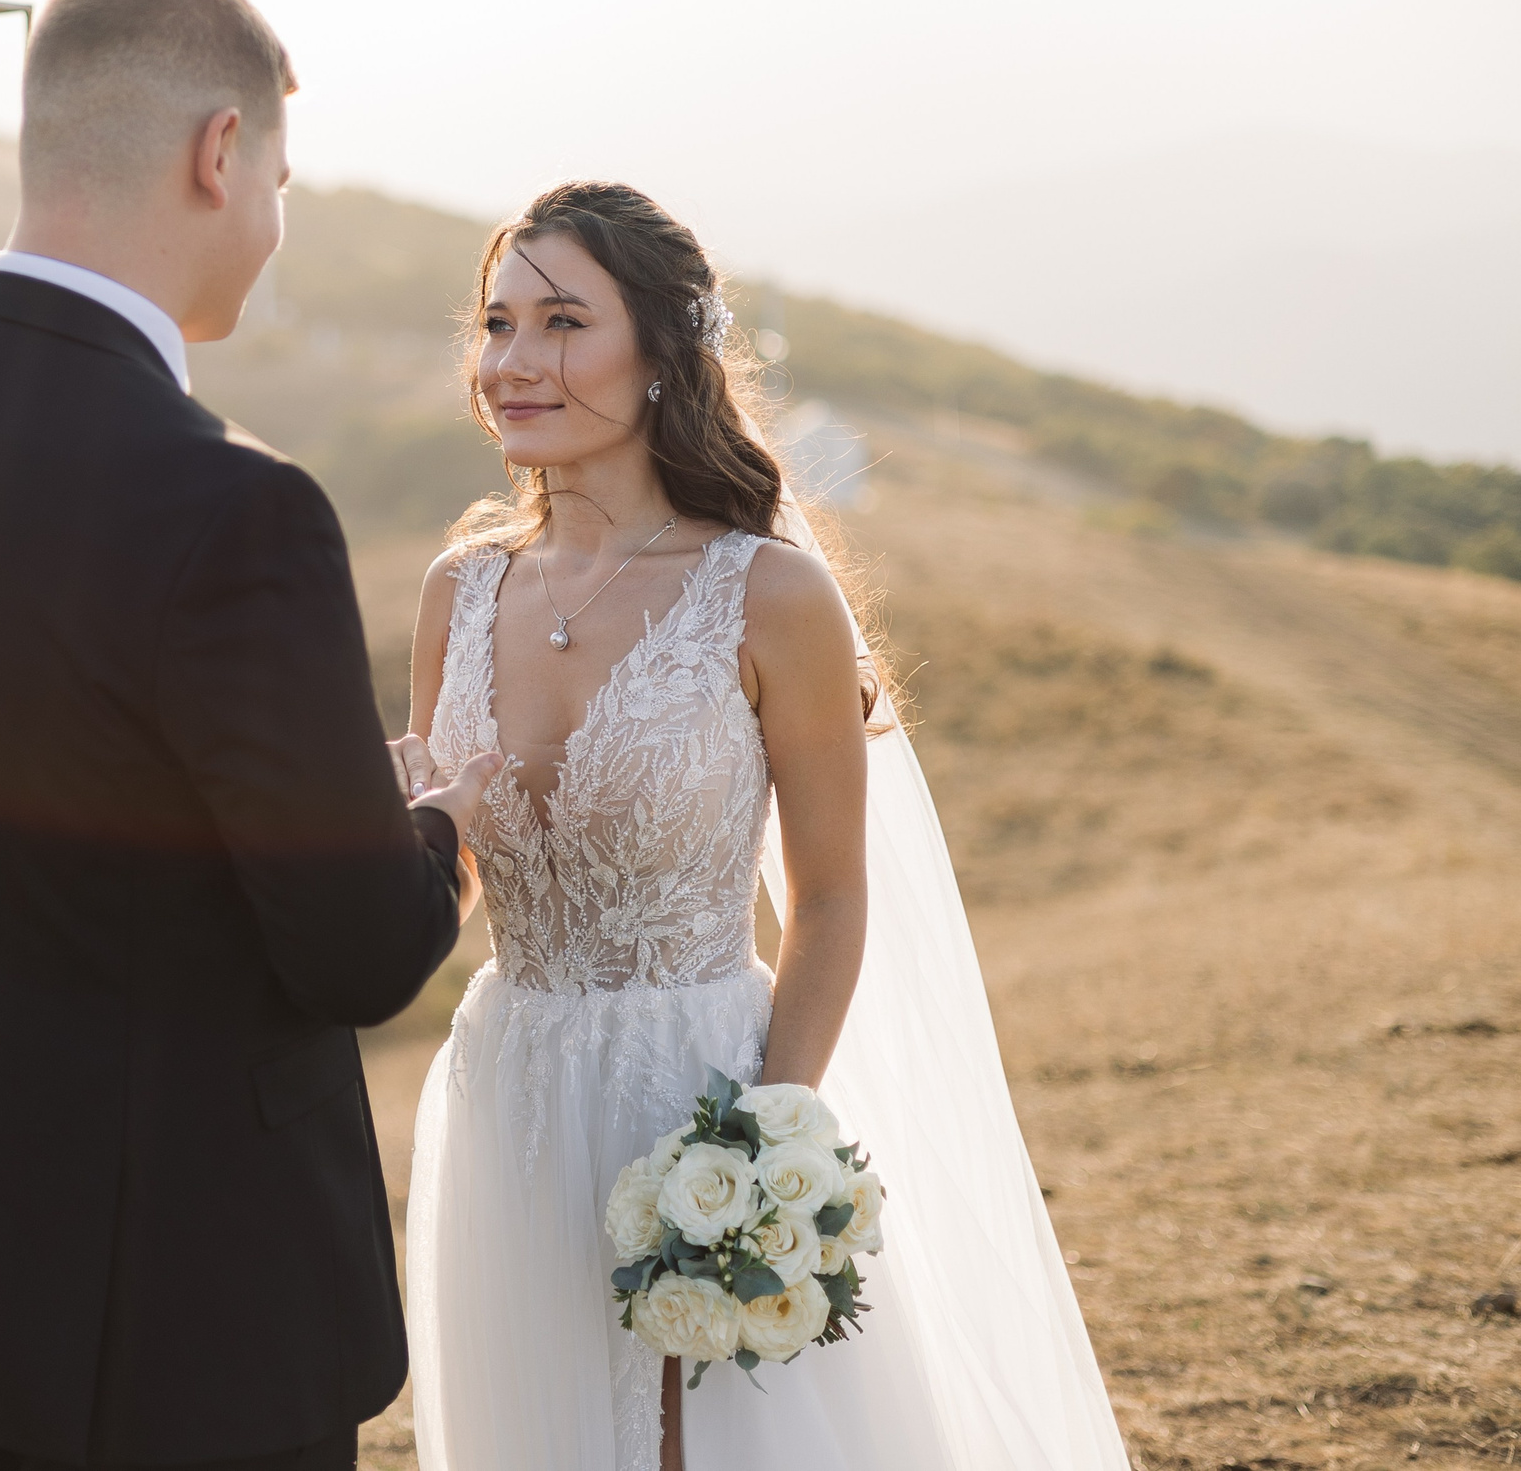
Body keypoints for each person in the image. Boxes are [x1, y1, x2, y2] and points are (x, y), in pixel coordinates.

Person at [0, 0, 501, 1471]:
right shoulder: (235, 507)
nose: (277, 222)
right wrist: (438, 819)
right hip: (175, 1325)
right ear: (218, 153)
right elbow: (359, 947)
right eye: (280, 179)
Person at [400, 182, 1131, 1469]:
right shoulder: (457, 592)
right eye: (496, 323)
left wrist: (757, 1145)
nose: (513, 362)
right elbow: (456, 866)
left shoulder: (770, 595)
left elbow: (834, 897)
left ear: (665, 353)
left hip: (704, 1090)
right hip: (507, 1091)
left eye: (561, 322)